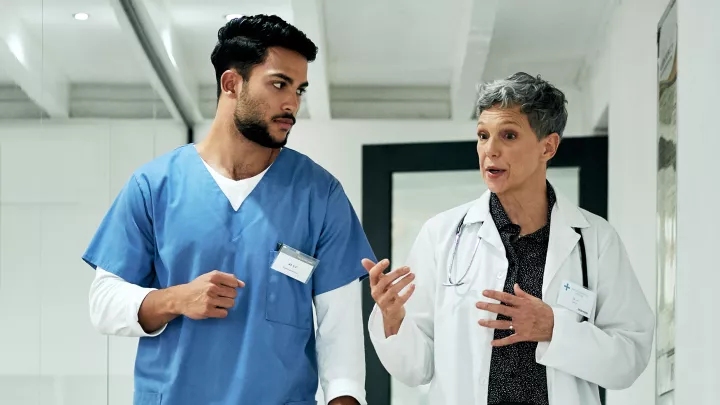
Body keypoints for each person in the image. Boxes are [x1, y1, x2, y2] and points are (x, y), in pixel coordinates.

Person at [84, 15, 371, 405]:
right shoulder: (155, 186)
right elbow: (103, 304)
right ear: (232, 83)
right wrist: (175, 299)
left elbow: (341, 334)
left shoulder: (319, 194)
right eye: (279, 84)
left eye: (299, 89)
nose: (293, 103)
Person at [364, 72, 654, 405]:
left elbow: (629, 358)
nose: (490, 150)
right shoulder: (441, 235)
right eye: (483, 135)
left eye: (509, 135)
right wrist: (394, 318)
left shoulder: (596, 240)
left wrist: (553, 328)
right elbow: (417, 369)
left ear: (548, 146)